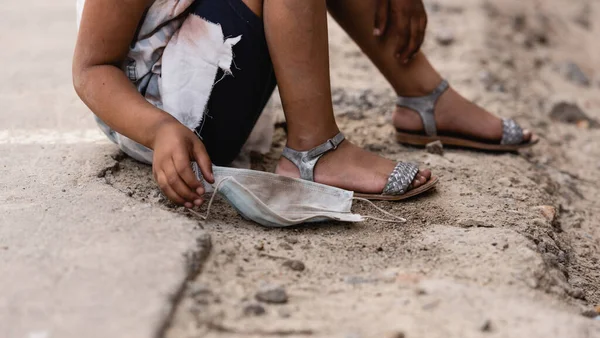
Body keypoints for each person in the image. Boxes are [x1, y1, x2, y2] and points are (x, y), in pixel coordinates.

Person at [73, 0, 537, 209]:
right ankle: (314, 152)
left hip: (210, 61)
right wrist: (158, 130)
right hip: (173, 124)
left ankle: (425, 98)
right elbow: (92, 69)